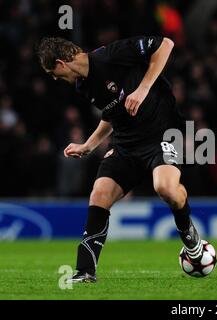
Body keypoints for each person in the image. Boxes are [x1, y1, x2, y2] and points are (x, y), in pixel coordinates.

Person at [37, 36, 204, 283]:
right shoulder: (84, 86)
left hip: (162, 133)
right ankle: (85, 271)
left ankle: (188, 232)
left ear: (61, 63)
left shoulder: (111, 55)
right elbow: (112, 113)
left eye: (53, 72)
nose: (54, 78)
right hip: (126, 144)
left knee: (166, 189)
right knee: (99, 194)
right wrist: (89, 145)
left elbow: (166, 44)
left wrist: (144, 88)